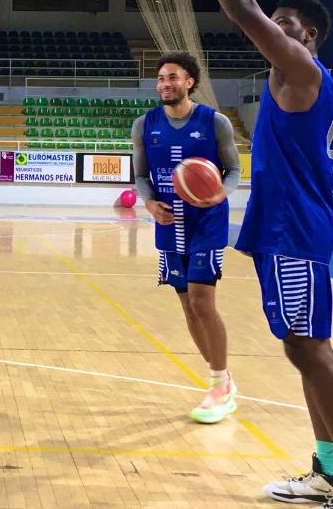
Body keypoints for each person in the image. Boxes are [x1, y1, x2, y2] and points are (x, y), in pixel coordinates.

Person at [152, 0, 333, 509]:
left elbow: (242, 13)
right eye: (277, 25)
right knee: (300, 348)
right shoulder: (297, 82)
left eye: (286, 26)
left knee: (311, 349)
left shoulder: (304, 71)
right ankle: (330, 469)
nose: (273, 31)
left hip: (295, 229)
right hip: (282, 227)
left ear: (308, 38)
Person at [132, 52, 242, 424]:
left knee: (202, 300)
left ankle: (218, 385)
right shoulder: (144, 124)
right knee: (187, 307)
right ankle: (222, 380)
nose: (165, 84)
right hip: (168, 222)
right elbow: (142, 176)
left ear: (190, 82)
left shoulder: (216, 122)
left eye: (173, 78)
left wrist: (220, 193)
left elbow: (234, 169)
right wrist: (149, 204)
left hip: (207, 221)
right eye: (161, 78)